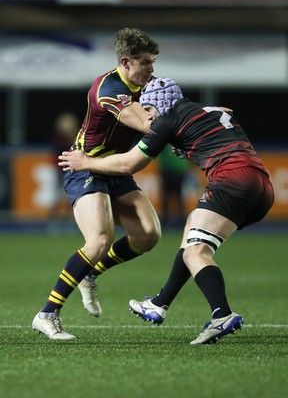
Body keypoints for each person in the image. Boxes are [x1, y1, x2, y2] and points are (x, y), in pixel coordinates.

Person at [58, 77, 274, 345]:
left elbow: (128, 164)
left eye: (148, 110)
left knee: (197, 251)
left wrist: (86, 161)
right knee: (191, 233)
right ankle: (160, 303)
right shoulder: (210, 110)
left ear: (158, 104)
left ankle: (222, 314)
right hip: (262, 187)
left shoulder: (166, 120)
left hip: (231, 182)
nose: (147, 117)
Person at [32, 28, 161, 340]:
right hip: (84, 165)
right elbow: (147, 124)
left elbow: (163, 113)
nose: (152, 69)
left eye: (153, 62)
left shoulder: (145, 84)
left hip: (113, 167)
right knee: (100, 240)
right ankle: (47, 313)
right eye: (145, 62)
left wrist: (199, 113)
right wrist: (184, 116)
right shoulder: (109, 89)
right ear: (126, 62)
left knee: (148, 235)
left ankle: (91, 272)